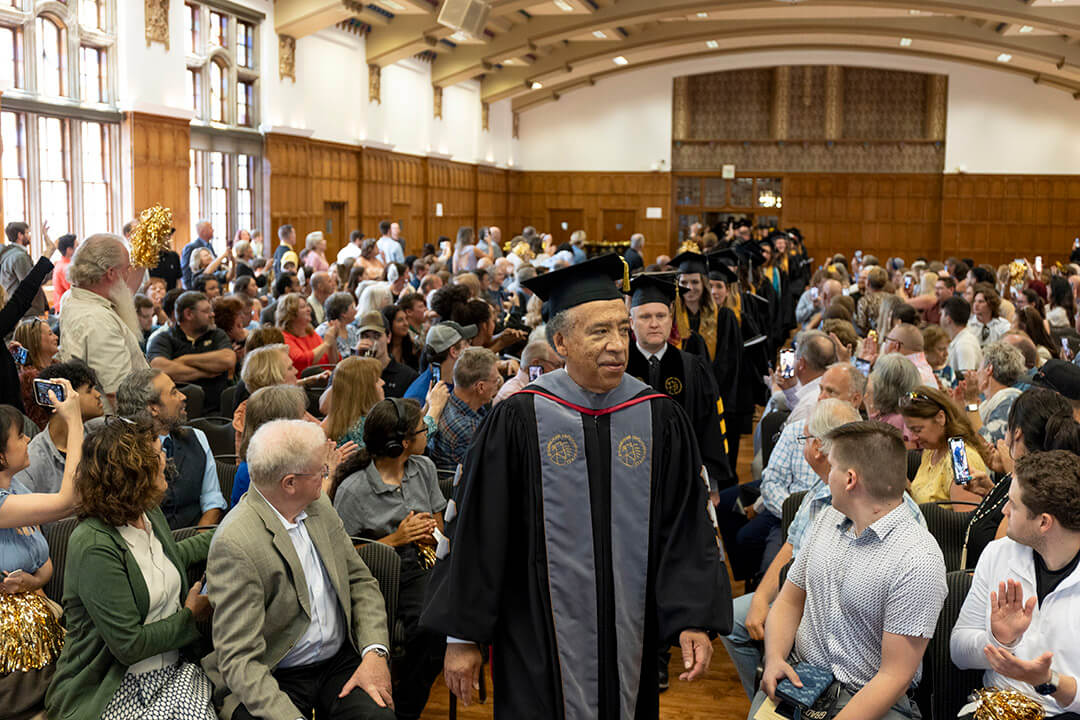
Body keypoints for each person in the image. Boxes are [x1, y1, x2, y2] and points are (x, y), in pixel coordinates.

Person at [422, 254, 732, 717]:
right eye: (599, 331)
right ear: (561, 341)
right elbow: (478, 529)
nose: (617, 345)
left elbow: (686, 525)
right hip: (535, 636)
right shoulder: (518, 419)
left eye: (621, 329)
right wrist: (462, 636)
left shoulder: (659, 416)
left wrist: (693, 618)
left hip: (632, 631)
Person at [200, 419, 395, 720]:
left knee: (377, 716)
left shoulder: (319, 506)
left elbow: (360, 582)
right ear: (289, 483)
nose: (327, 474)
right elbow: (240, 660)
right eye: (320, 470)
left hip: (337, 662)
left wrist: (374, 654)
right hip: (272, 671)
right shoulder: (235, 544)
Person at [752, 421, 947, 720]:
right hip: (802, 680)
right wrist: (775, 657)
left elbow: (894, 677)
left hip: (870, 699)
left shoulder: (917, 558)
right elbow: (789, 600)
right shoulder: (828, 519)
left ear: (850, 479)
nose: (827, 477)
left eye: (832, 468)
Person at [45, 417, 215, 720]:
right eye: (157, 454)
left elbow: (167, 557)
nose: (165, 459)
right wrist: (191, 615)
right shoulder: (94, 544)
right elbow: (130, 646)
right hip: (113, 688)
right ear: (133, 473)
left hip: (174, 674)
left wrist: (225, 535)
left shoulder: (147, 511)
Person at [720, 398, 863, 699]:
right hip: (797, 594)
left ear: (818, 448)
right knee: (733, 618)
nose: (804, 444)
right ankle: (768, 691)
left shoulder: (862, 495)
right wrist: (761, 597)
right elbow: (791, 546)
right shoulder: (819, 490)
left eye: (806, 437)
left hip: (834, 613)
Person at [332, 399, 447, 720]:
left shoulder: (423, 468)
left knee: (437, 627)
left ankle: (404, 708)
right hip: (374, 577)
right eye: (423, 429)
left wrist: (429, 533)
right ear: (404, 443)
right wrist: (396, 539)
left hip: (419, 566)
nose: (428, 433)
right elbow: (340, 559)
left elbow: (438, 524)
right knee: (426, 628)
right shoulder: (354, 489)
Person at [951, 450, 1080, 718]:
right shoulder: (998, 553)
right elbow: (958, 651)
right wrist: (998, 642)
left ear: (1044, 522)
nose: (1003, 510)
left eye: (1012, 504)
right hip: (997, 707)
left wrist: (1048, 680)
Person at [0, 379, 82, 716]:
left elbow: (44, 563)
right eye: (20, 437)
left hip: (37, 627)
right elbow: (70, 500)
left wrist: (32, 582)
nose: (29, 440)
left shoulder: (17, 488)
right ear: (0, 456)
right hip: (11, 653)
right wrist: (74, 421)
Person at [626, 272, 733, 493]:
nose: (654, 324)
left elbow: (710, 425)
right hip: (629, 479)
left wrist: (710, 483)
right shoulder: (619, 369)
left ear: (671, 318)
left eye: (661, 315)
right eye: (645, 317)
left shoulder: (694, 368)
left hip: (685, 480)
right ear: (631, 322)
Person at [117, 369, 228, 529]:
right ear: (153, 408)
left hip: (197, 539)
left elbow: (212, 499)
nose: (183, 396)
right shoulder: (122, 452)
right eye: (174, 392)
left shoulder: (197, 438)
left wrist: (198, 541)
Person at [58, 233, 149, 412]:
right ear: (110, 273)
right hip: (116, 424)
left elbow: (123, 292)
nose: (128, 273)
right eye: (127, 269)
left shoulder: (73, 296)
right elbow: (118, 393)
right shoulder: (98, 321)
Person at [13, 361, 102, 494]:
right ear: (63, 400)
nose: (98, 394)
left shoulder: (100, 434)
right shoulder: (31, 461)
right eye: (89, 390)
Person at [147, 291, 236, 415]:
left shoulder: (217, 335)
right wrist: (207, 371)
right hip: (175, 413)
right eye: (206, 311)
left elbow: (228, 359)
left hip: (216, 412)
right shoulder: (163, 338)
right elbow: (159, 368)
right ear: (188, 314)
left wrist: (184, 359)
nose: (212, 314)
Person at [899, 386, 987, 507]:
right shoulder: (931, 451)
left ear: (940, 418)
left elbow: (965, 521)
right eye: (911, 430)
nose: (913, 437)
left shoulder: (961, 459)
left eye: (918, 430)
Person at [230, 384, 311, 508]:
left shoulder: (289, 459)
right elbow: (301, 512)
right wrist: (329, 476)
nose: (307, 420)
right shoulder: (257, 471)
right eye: (301, 416)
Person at [232, 344, 323, 452]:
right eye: (290, 368)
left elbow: (324, 433)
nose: (296, 371)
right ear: (274, 377)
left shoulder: (286, 403)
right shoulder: (252, 415)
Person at [426, 346, 500, 473]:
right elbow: (493, 468)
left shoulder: (450, 401)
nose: (498, 384)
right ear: (480, 387)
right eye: (496, 380)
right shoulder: (466, 429)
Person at [966, 341, 1026, 444]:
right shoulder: (987, 403)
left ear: (989, 369)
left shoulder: (1010, 399)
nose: (976, 373)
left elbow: (988, 442)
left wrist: (971, 401)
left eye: (979, 368)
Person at [321, 356, 387, 447]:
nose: (383, 382)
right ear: (363, 390)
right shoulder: (372, 426)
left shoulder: (331, 422)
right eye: (376, 380)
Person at [402, 322, 476, 402]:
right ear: (454, 351)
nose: (470, 348)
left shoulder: (458, 382)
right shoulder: (419, 398)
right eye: (465, 344)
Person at [277, 292, 341, 374]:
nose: (309, 309)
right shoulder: (284, 337)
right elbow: (301, 361)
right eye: (303, 307)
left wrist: (332, 341)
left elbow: (333, 363)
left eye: (307, 306)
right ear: (291, 314)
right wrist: (326, 343)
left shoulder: (311, 333)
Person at [13, 316, 59, 429]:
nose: (56, 337)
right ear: (35, 341)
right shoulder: (31, 380)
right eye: (50, 334)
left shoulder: (57, 367)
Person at [0, 221, 50, 320]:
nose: (30, 236)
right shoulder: (19, 257)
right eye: (27, 233)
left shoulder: (8, 253)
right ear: (20, 235)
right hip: (26, 310)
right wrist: (49, 271)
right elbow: (31, 282)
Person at [493, 340, 563, 405]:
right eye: (557, 365)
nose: (560, 370)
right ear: (536, 364)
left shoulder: (544, 387)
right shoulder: (511, 395)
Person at [865, 353, 921, 432]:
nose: (870, 377)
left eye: (873, 372)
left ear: (881, 386)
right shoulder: (889, 415)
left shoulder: (894, 423)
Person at [942, 295, 983, 383]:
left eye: (941, 314)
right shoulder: (959, 339)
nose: (940, 317)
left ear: (948, 319)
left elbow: (967, 381)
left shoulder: (964, 344)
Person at [970, 282, 1012, 346]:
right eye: (975, 301)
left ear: (991, 304)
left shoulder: (1003, 326)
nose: (976, 305)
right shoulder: (968, 325)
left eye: (981, 302)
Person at [382, 302, 420, 370]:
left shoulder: (412, 346)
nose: (406, 323)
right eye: (400, 320)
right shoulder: (381, 348)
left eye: (406, 319)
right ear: (389, 323)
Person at [181, 220, 215, 289]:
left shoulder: (209, 246)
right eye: (210, 228)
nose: (213, 230)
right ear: (203, 231)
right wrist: (190, 288)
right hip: (195, 287)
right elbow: (186, 270)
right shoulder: (191, 247)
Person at [51, 232, 77, 305]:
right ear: (69, 250)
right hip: (66, 307)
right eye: (77, 246)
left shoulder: (60, 264)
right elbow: (74, 291)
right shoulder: (67, 267)